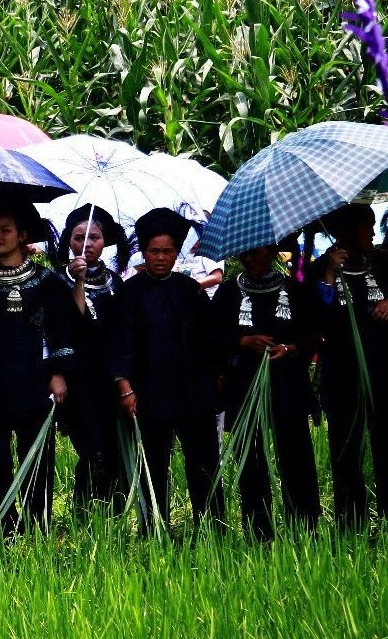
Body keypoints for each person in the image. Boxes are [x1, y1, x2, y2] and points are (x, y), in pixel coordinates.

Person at [0, 201, 73, 535]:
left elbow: (61, 329)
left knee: (35, 457)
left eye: (5, 230)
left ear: (22, 236)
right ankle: (6, 526)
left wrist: (58, 373)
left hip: (32, 377)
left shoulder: (46, 281)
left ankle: (38, 526)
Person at [112, 207, 225, 534]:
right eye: (154, 251)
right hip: (148, 393)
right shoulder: (129, 293)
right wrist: (125, 388)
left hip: (192, 391)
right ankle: (154, 528)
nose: (161, 258)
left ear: (177, 253)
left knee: (203, 461)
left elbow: (210, 339)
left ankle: (212, 527)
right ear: (144, 253)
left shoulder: (191, 290)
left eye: (167, 252)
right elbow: (119, 343)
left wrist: (217, 379)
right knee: (153, 463)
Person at [212, 241, 320, 540]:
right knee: (251, 459)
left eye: (256, 252)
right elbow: (212, 335)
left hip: (288, 385)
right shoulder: (229, 292)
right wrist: (242, 342)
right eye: (244, 252)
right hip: (245, 385)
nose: (249, 258)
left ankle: (304, 528)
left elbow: (312, 333)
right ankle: (258, 531)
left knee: (296, 455)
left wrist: (289, 347)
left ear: (272, 252)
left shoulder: (294, 290)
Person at [307, 203, 387, 529]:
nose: (373, 233)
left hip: (381, 371)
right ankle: (351, 524)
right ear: (347, 231)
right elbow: (315, 320)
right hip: (342, 375)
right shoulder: (319, 269)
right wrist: (328, 275)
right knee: (346, 449)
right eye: (367, 226)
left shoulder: (382, 262)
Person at [56, 205, 127, 517]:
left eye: (94, 237)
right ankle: (84, 514)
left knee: (115, 448)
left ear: (105, 241)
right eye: (79, 237)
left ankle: (114, 513)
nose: (87, 243)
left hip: (111, 376)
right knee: (93, 449)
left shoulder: (116, 282)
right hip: (78, 378)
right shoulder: (58, 281)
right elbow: (73, 321)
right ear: (69, 241)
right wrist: (79, 280)